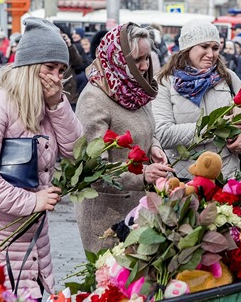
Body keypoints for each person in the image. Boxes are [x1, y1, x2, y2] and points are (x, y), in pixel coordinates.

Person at [0, 17, 83, 300]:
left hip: (24, 243)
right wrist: (32, 202)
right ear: (30, 66)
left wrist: (59, 105)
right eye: (50, 68)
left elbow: (77, 150)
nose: (57, 77)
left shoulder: (47, 104)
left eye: (61, 70)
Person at [75, 23, 174, 253]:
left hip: (139, 210)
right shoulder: (94, 99)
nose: (144, 66)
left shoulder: (135, 90)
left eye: (147, 58)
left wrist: (154, 147)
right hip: (107, 216)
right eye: (137, 60)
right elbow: (94, 170)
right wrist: (143, 176)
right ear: (119, 60)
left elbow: (148, 128)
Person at [153, 20, 241, 179]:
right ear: (187, 48)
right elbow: (163, 134)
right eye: (204, 47)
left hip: (226, 176)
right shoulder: (164, 81)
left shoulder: (227, 77)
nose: (211, 54)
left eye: (215, 48)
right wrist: (216, 126)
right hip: (184, 178)